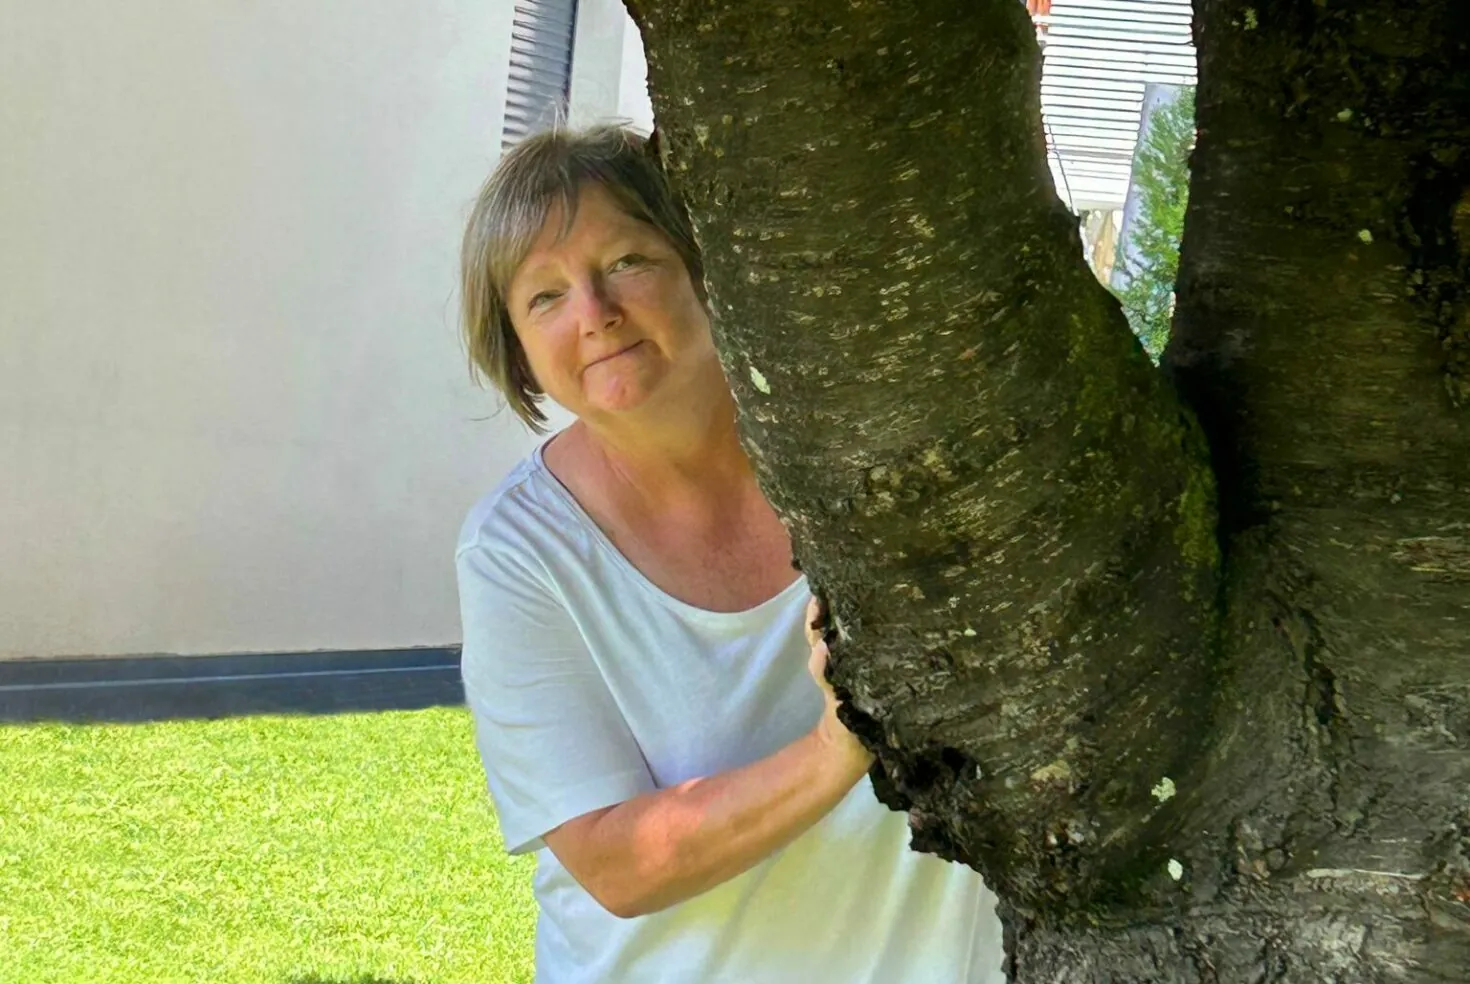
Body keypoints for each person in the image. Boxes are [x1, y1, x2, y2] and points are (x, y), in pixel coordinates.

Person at [455, 124, 1004, 983]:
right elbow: (616, 865)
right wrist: (837, 747)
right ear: (517, 350)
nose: (595, 314)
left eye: (627, 261)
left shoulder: (880, 461)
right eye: (545, 296)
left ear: (707, 269)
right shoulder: (519, 551)